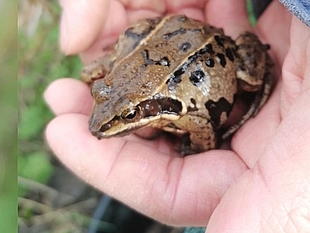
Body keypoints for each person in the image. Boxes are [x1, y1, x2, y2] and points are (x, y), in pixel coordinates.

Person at [44, 0, 310, 231]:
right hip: (171, 36)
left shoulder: (178, 113)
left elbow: (203, 126)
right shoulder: (112, 74)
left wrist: (195, 149)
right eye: (100, 93)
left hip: (209, 48)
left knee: (250, 78)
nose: (102, 121)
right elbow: (91, 72)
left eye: (129, 114)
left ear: (147, 108)